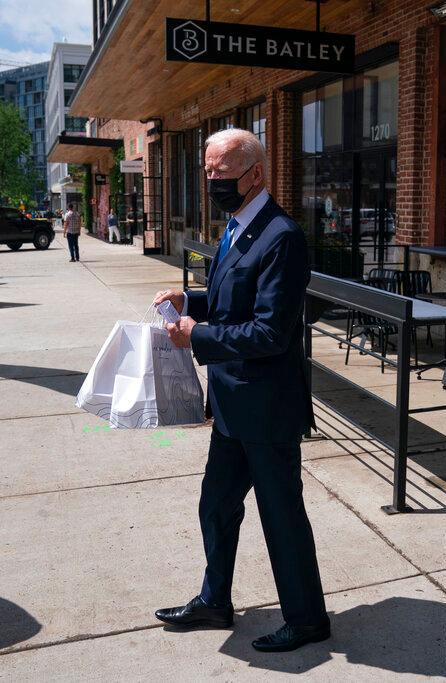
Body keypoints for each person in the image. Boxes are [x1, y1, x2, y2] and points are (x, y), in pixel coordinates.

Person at [151, 128, 329, 653]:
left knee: (281, 515)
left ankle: (307, 618)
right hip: (232, 405)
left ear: (255, 174)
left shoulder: (281, 236)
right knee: (216, 505)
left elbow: (272, 332)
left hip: (267, 409)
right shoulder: (237, 228)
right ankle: (214, 600)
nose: (211, 181)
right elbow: (234, 301)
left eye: (220, 173)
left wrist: (195, 336)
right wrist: (191, 302)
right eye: (206, 171)